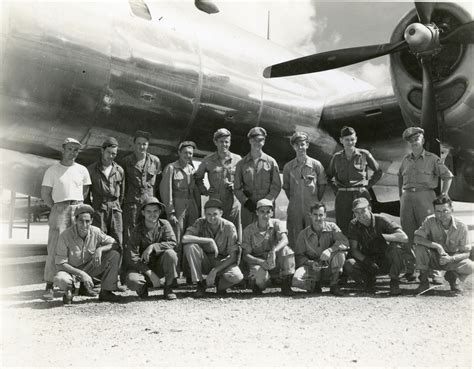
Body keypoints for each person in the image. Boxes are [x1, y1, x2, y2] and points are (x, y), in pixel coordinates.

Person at [398, 127, 453, 283]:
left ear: (422, 140)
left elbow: (448, 176)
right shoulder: (405, 160)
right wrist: (401, 195)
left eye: (417, 138)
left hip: (426, 196)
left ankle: (434, 272)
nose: (414, 141)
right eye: (411, 140)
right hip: (407, 199)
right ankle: (411, 270)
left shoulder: (432, 159)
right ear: (408, 143)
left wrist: (444, 194)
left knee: (430, 232)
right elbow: (399, 177)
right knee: (408, 234)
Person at [41, 137, 91, 300]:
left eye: (76, 150)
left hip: (78, 209)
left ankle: (82, 285)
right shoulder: (52, 170)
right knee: (55, 246)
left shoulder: (82, 170)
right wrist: (58, 208)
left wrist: (75, 206)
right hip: (60, 209)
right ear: (63, 149)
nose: (73, 152)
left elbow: (85, 191)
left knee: (80, 246)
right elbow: (45, 194)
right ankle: (49, 285)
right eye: (69, 149)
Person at [53, 204, 121, 304]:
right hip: (71, 271)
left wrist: (100, 250)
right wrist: (81, 274)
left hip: (90, 268)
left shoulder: (96, 232)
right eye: (81, 221)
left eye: (87, 221)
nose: (84, 225)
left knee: (114, 255)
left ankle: (106, 292)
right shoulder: (65, 236)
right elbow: (60, 264)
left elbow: (115, 244)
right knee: (61, 279)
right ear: (75, 220)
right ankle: (69, 291)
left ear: (92, 221)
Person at [344, 198, 408, 295]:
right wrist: (367, 261)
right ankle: (368, 282)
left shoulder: (381, 219)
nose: (360, 215)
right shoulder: (353, 224)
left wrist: (383, 237)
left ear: (369, 208)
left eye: (363, 211)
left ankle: (394, 281)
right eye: (357, 212)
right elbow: (354, 250)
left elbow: (404, 237)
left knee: (397, 248)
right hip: (368, 260)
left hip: (386, 259)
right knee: (349, 264)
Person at [327, 126, 382, 235]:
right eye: (347, 140)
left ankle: (365, 251)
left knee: (365, 224)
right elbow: (328, 176)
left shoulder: (364, 154)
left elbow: (378, 171)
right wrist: (337, 190)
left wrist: (366, 187)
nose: (350, 142)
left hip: (360, 194)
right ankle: (346, 251)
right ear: (341, 140)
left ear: (356, 139)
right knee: (343, 227)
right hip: (343, 197)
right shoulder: (336, 157)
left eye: (352, 139)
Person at [182, 199, 243, 297]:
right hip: (205, 260)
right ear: (204, 214)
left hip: (222, 261)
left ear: (221, 213)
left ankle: (216, 283)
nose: (212, 217)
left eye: (215, 214)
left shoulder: (229, 227)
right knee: (190, 247)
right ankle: (199, 284)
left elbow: (233, 257)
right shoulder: (200, 222)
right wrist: (209, 240)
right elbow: (185, 238)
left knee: (237, 277)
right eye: (208, 214)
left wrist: (215, 270)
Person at [414, 195, 473, 294]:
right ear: (434, 211)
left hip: (452, 259)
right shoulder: (430, 220)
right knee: (420, 248)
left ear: (452, 210)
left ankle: (453, 278)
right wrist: (438, 246)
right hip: (434, 257)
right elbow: (417, 238)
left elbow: (466, 253)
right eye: (438, 211)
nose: (442, 215)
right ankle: (424, 281)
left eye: (445, 211)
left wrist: (451, 259)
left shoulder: (461, 226)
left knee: (470, 266)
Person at [160, 141, 201, 280]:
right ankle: (174, 276)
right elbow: (166, 190)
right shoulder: (171, 168)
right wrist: (170, 211)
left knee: (191, 238)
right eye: (185, 153)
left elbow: (196, 191)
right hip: (178, 205)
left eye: (190, 153)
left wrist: (198, 211)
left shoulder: (192, 169)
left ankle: (190, 274)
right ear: (179, 153)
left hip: (191, 205)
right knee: (176, 240)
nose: (188, 156)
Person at [124, 197, 178, 300]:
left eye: (155, 211)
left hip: (159, 266)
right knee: (132, 281)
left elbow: (172, 242)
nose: (152, 214)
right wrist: (149, 273)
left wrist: (153, 246)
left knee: (171, 254)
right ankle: (142, 288)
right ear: (143, 213)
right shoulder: (137, 230)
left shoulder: (164, 224)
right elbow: (132, 257)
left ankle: (168, 288)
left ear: (160, 212)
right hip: (142, 268)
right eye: (148, 211)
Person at [292, 203, 348, 296]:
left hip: (329, 267)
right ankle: (314, 285)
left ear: (325, 215)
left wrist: (330, 250)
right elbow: (298, 256)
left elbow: (345, 242)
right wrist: (311, 263)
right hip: (312, 268)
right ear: (310, 215)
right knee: (296, 280)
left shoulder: (332, 227)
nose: (318, 218)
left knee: (340, 254)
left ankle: (334, 285)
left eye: (321, 215)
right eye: (315, 215)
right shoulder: (303, 234)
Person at [195, 128, 242, 239]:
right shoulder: (208, 160)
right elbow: (197, 178)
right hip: (215, 204)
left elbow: (245, 179)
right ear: (215, 142)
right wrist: (204, 190)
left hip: (233, 203)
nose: (224, 144)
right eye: (221, 141)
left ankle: (235, 255)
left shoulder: (237, 159)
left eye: (227, 142)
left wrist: (235, 186)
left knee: (234, 233)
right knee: (215, 231)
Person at [242, 199, 295, 296]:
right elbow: (246, 255)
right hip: (259, 262)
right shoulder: (248, 230)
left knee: (286, 250)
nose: (265, 215)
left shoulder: (276, 223)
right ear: (257, 212)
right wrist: (260, 262)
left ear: (272, 213)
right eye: (262, 211)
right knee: (259, 278)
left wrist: (274, 251)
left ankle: (286, 284)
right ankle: (261, 285)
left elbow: (285, 240)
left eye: (268, 212)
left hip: (274, 260)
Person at [283, 131, 326, 248]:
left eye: (303, 144)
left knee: (313, 233)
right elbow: (286, 188)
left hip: (311, 207)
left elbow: (322, 185)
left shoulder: (316, 165)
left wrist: (315, 200)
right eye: (297, 145)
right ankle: (296, 261)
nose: (300, 147)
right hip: (295, 207)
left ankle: (314, 261)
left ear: (307, 145)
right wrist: (294, 199)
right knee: (295, 236)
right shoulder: (288, 167)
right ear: (293, 146)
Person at [234, 127, 281, 229]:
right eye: (255, 140)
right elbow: (237, 188)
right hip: (248, 208)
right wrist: (246, 202)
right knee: (248, 235)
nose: (257, 143)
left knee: (267, 236)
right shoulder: (241, 164)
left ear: (264, 141)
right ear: (250, 141)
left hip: (266, 209)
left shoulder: (271, 162)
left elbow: (276, 186)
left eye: (260, 140)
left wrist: (266, 202)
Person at [121, 130, 161, 245]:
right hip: (132, 202)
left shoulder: (155, 161)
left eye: (144, 144)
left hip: (149, 202)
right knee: (130, 230)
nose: (141, 146)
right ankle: (130, 259)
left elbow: (157, 183)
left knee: (149, 229)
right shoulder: (126, 161)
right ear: (134, 144)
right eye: (138, 143)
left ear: (148, 145)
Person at [86, 137, 124, 247]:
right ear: (102, 151)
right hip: (99, 210)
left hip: (115, 211)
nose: (111, 156)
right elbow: (87, 196)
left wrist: (116, 206)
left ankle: (115, 264)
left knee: (117, 242)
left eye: (114, 154)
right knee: (98, 241)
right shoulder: (91, 170)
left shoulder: (119, 170)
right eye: (109, 153)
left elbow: (121, 194)